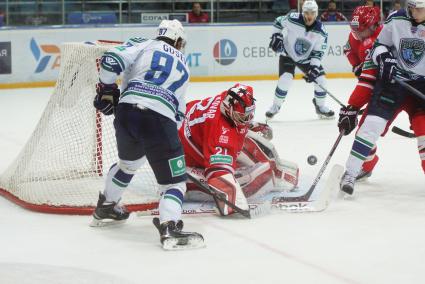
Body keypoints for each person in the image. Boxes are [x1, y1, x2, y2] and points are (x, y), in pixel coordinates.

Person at [90, 19, 204, 250]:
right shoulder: (184, 63)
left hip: (127, 113)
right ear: (179, 40)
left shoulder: (143, 44)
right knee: (175, 182)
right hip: (159, 119)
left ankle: (106, 206)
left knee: (128, 164)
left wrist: (107, 88)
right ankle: (170, 227)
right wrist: (169, 145)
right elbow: (179, 114)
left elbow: (111, 60)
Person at [339, 0, 425, 195]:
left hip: (422, 87)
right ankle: (351, 172)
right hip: (394, 83)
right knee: (370, 126)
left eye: (420, 9)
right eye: (413, 8)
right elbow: (379, 48)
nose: (416, 12)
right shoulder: (396, 19)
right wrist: (384, 57)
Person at [179, 84, 299, 216]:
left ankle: (277, 174)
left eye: (249, 114)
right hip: (183, 154)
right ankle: (187, 185)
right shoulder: (220, 134)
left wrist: (250, 125)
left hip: (188, 126)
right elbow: (218, 173)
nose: (247, 119)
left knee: (254, 151)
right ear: (228, 110)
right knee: (248, 183)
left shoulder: (233, 97)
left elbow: (244, 92)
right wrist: (235, 206)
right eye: (243, 117)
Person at [266, 0, 335, 120]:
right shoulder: (293, 19)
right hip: (287, 54)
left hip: (307, 59)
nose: (309, 16)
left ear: (316, 13)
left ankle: (320, 106)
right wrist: (275, 35)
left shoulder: (321, 31)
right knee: (285, 79)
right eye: (306, 12)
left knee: (321, 80)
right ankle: (275, 106)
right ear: (302, 12)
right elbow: (278, 21)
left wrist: (314, 67)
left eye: (312, 13)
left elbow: (318, 52)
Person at [339, 6, 382, 180]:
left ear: (373, 25)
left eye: (361, 31)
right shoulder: (356, 34)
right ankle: (368, 164)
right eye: (355, 31)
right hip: (372, 86)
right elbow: (348, 49)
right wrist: (357, 66)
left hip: (390, 88)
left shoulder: (385, 36)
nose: (358, 35)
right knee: (363, 132)